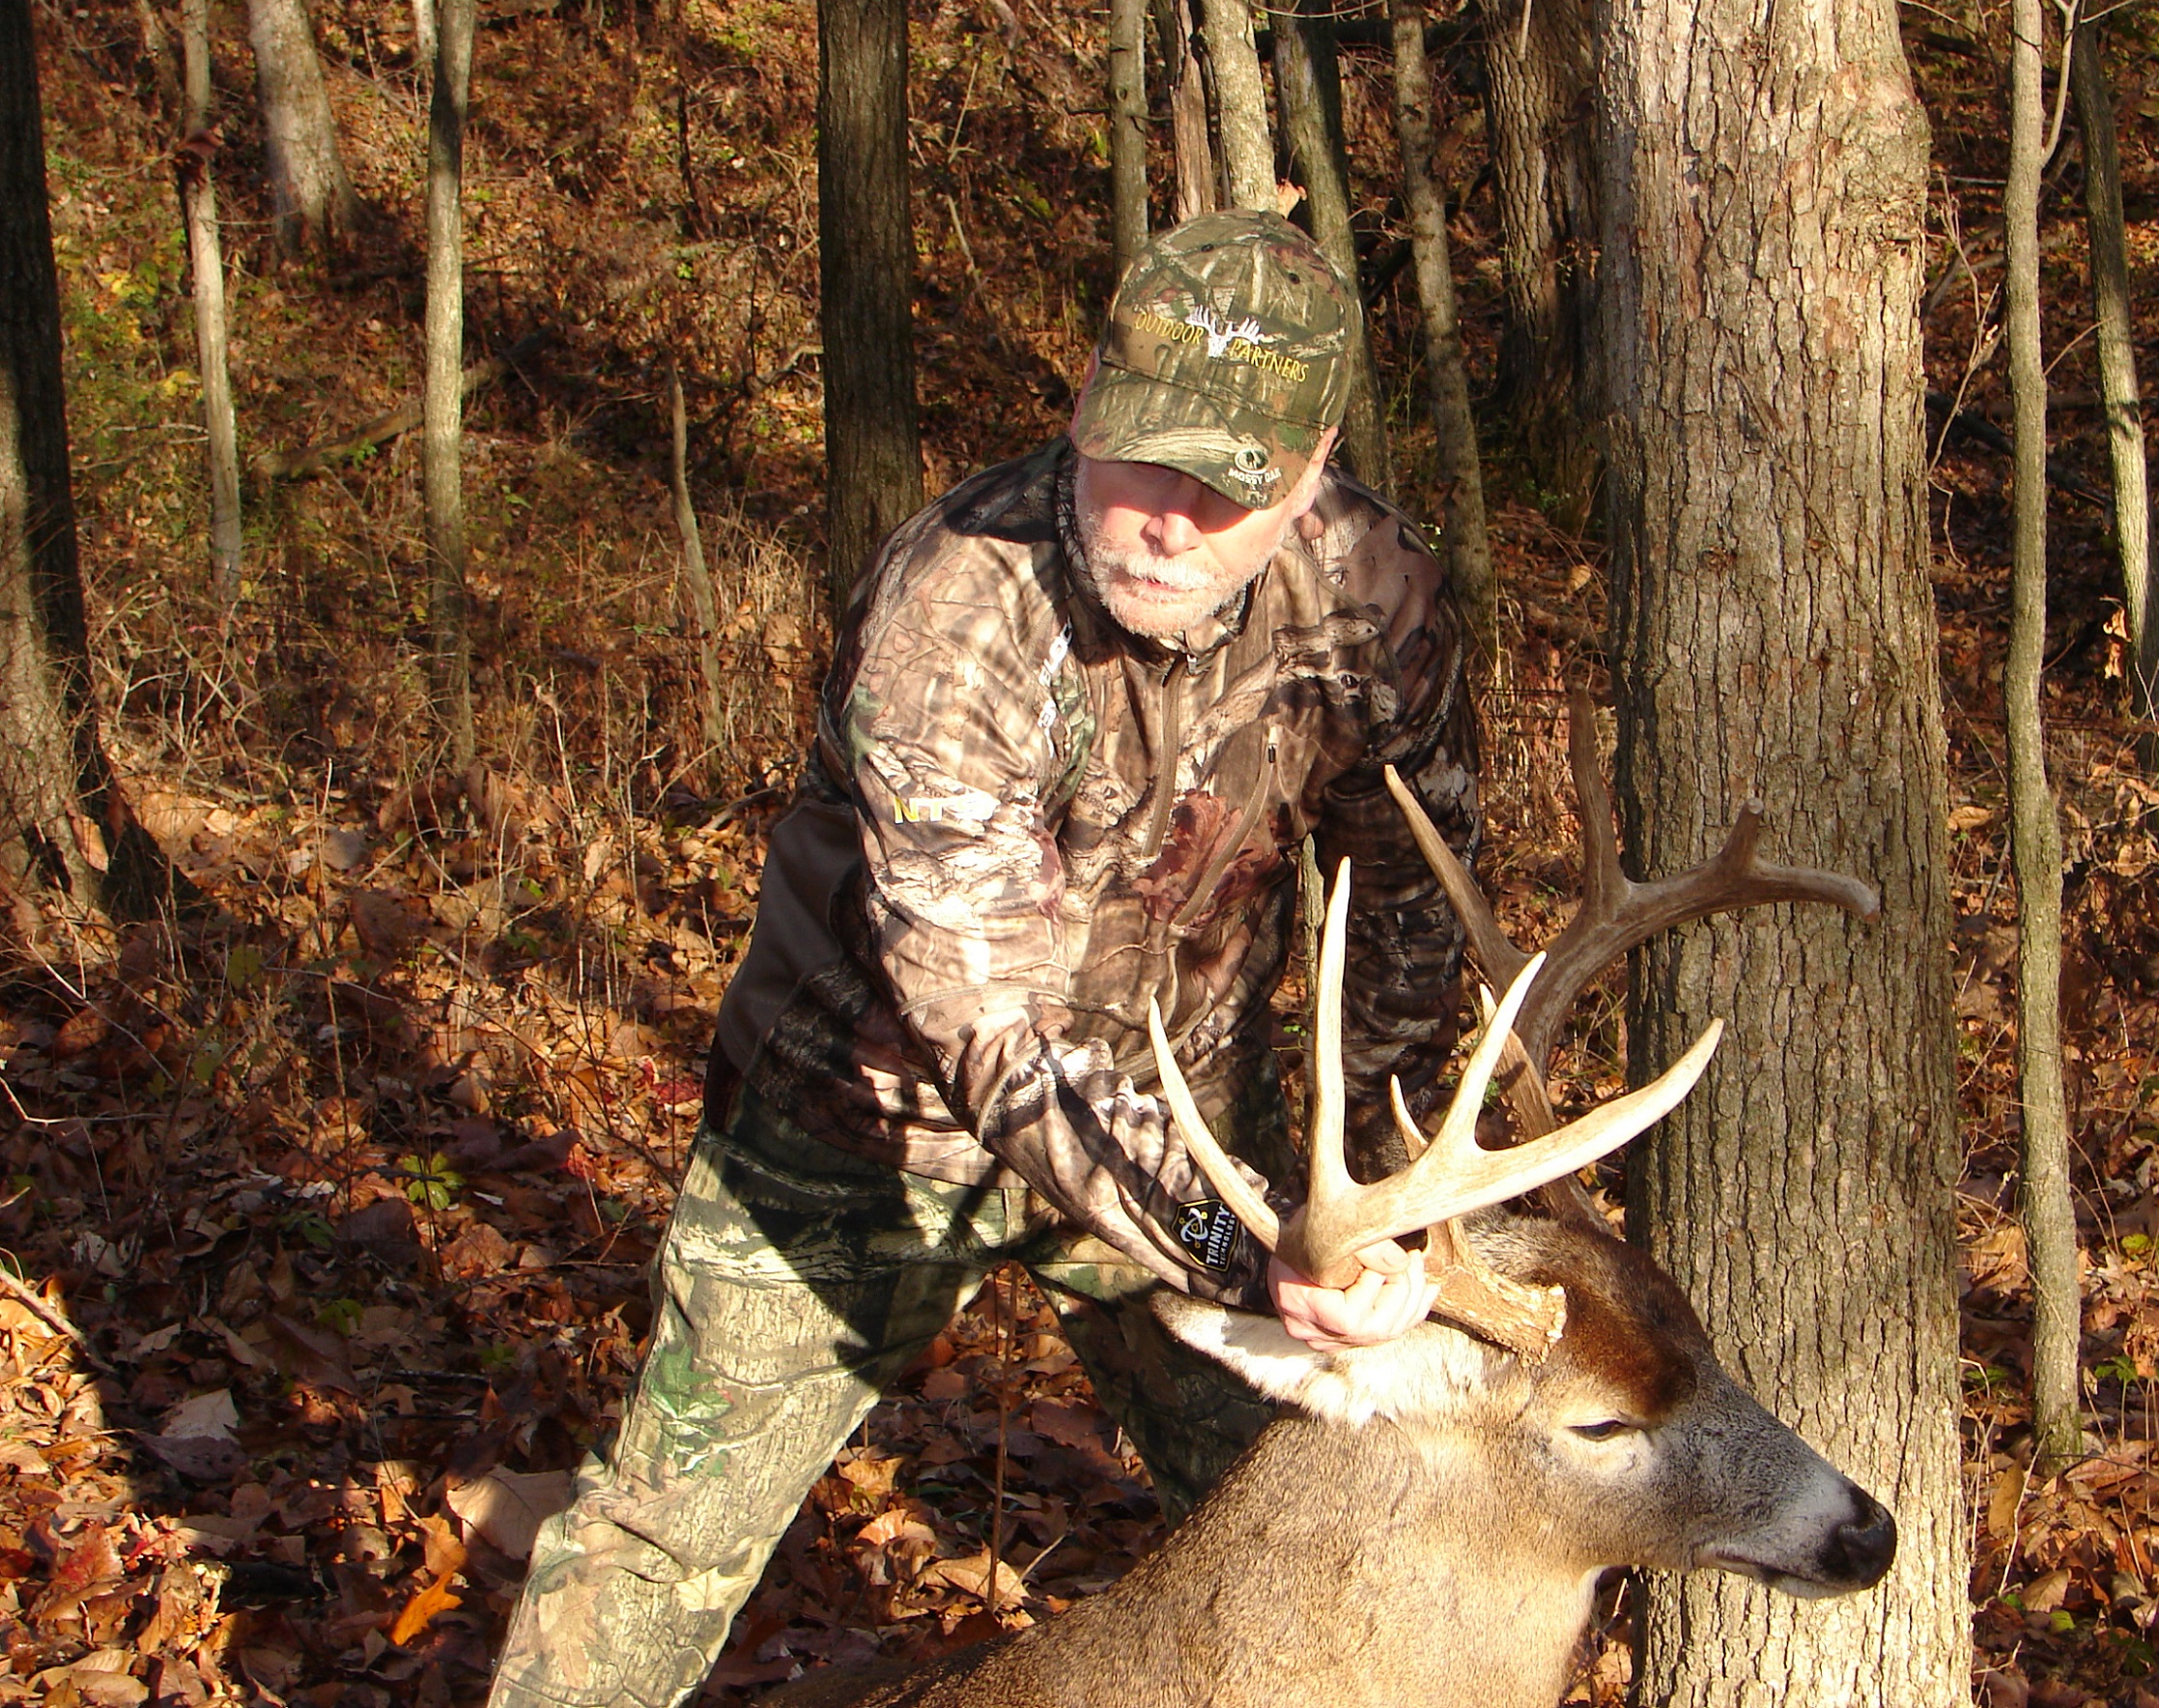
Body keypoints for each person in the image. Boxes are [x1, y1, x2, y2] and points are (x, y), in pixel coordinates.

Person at [484, 211, 1480, 1708]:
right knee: (658, 1540)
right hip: (861, 1127)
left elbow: (1409, 889)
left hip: (1200, 1122)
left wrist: (1366, 1192)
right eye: (1142, 456)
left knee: (1313, 1504)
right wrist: (1249, 1246)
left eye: (1229, 487)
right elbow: (991, 1020)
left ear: (1313, 462)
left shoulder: (1372, 596)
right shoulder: (960, 603)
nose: (1166, 519)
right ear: (1083, 398)